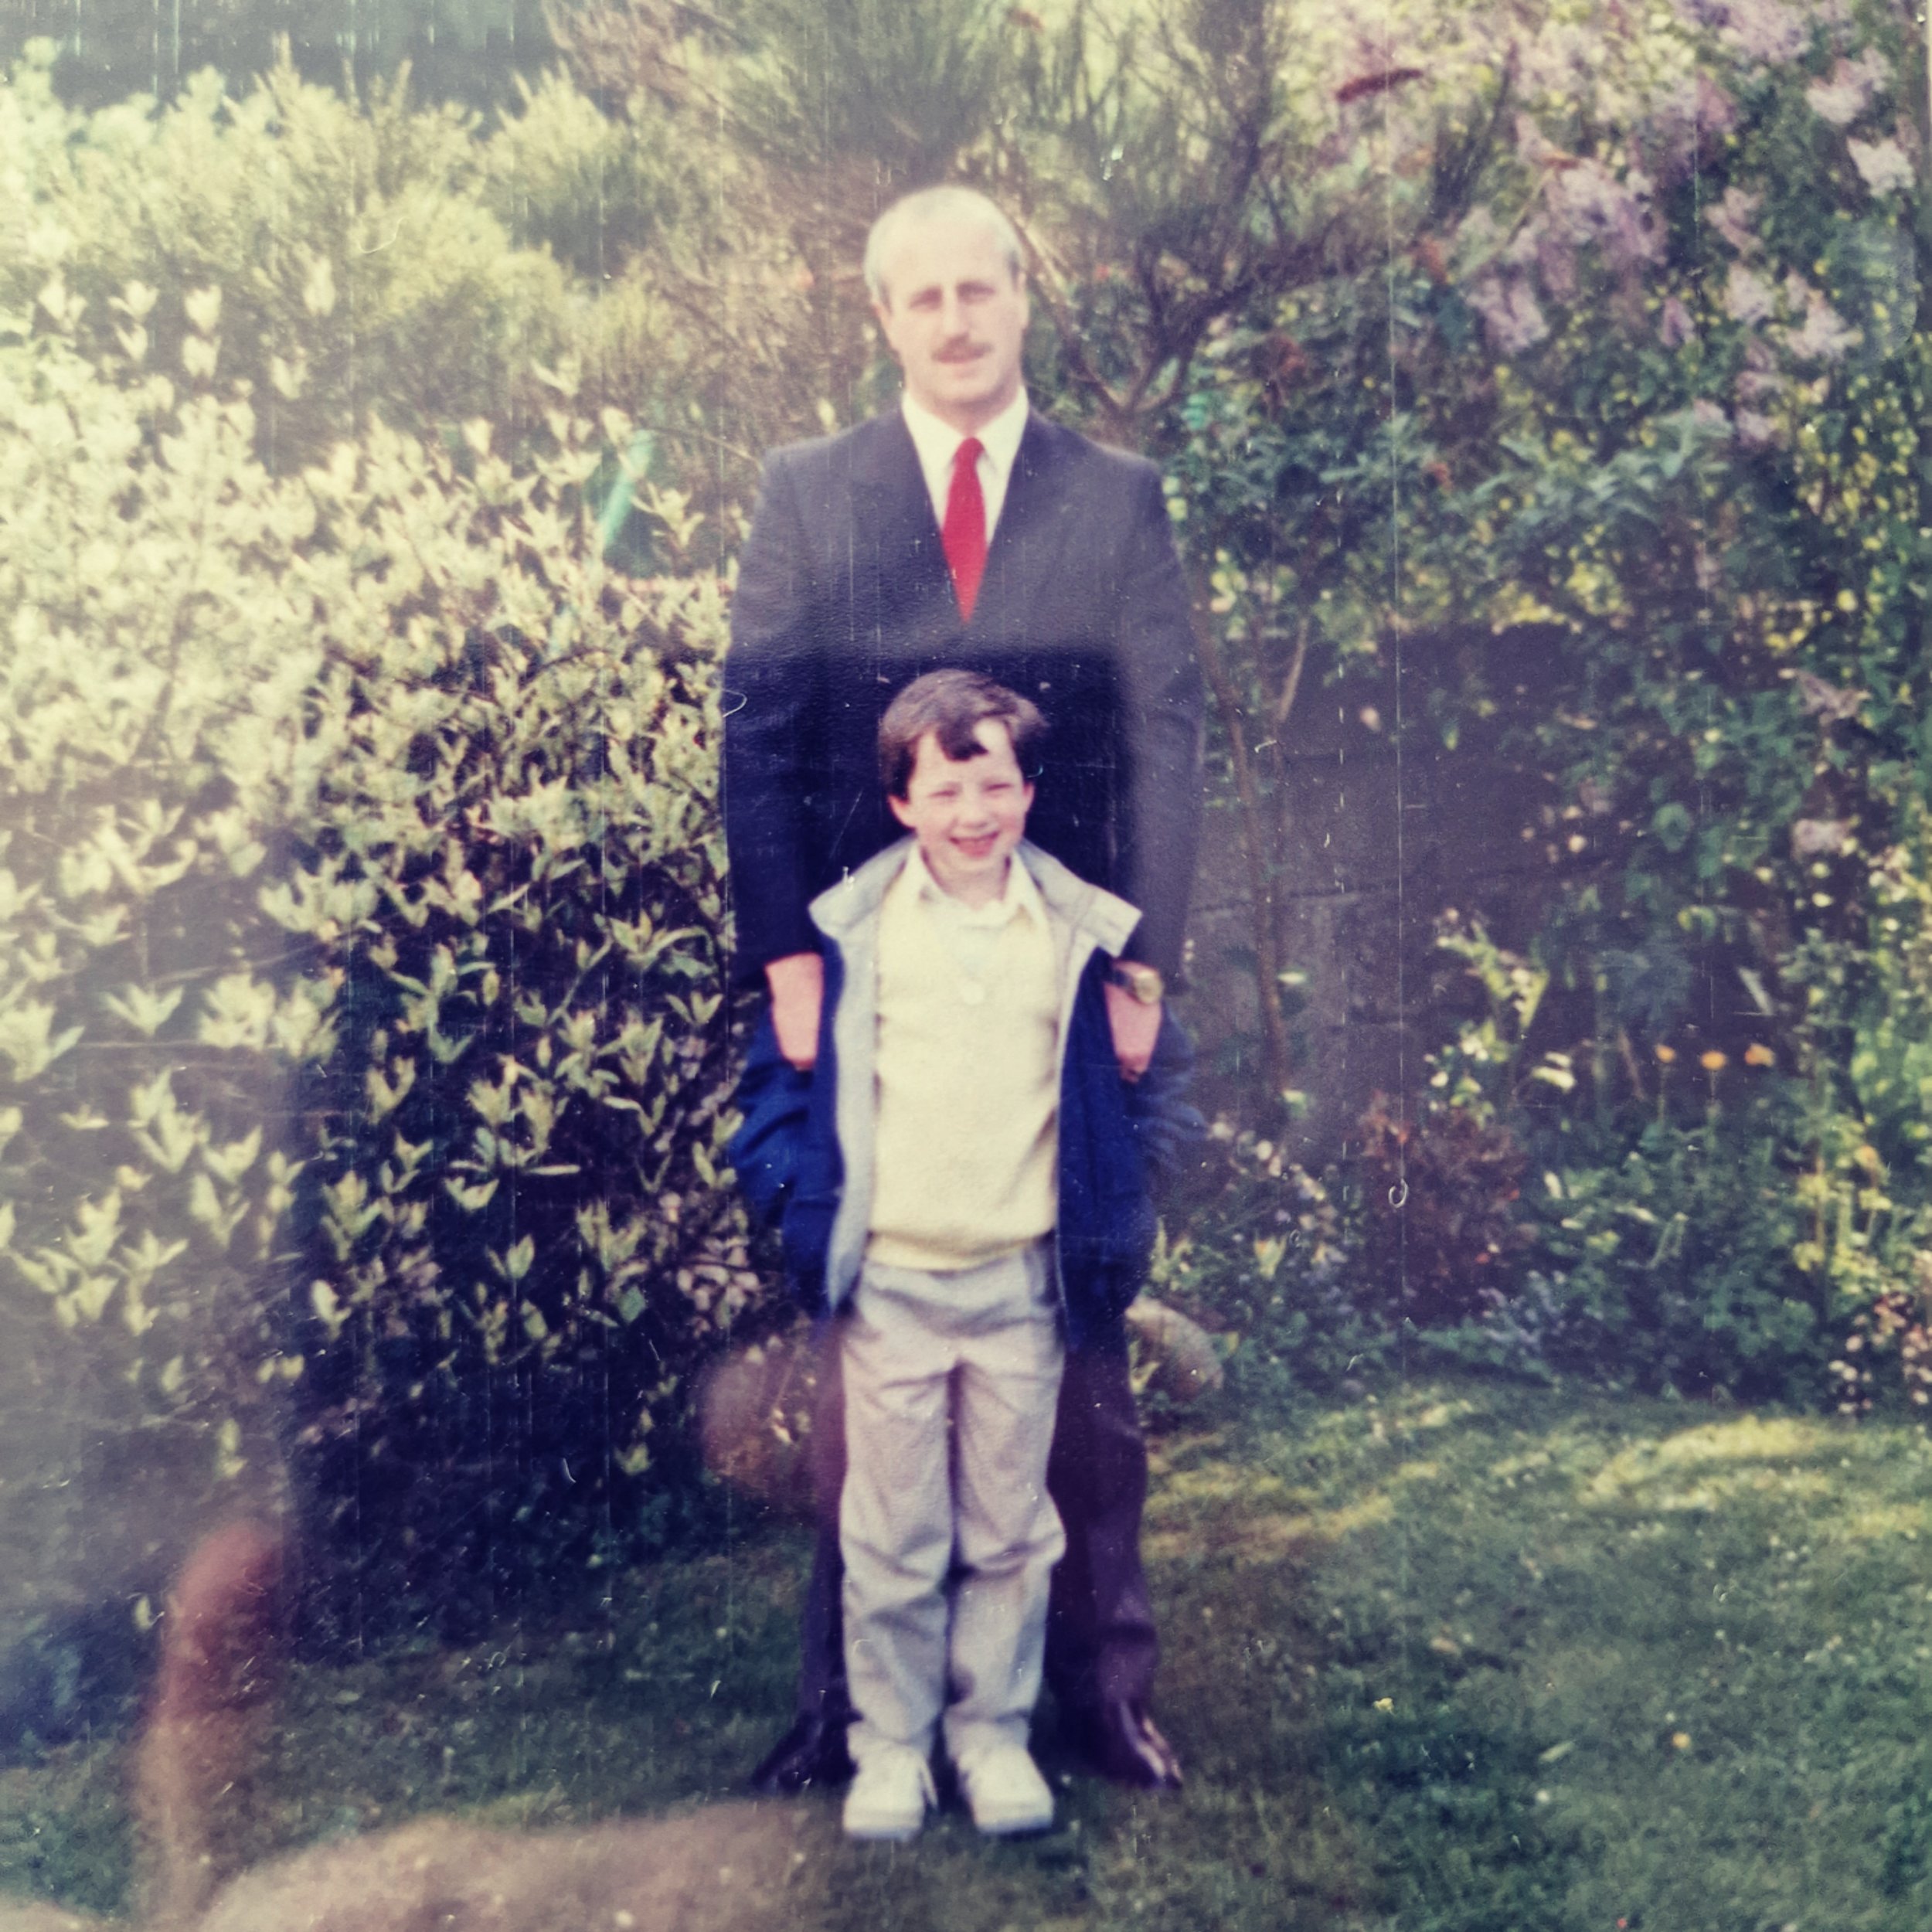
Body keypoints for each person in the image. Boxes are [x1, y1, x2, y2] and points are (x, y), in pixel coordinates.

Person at [722, 182, 1202, 1794]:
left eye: (976, 289)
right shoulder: (812, 491)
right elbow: (762, 735)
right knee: (874, 1339)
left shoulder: (1113, 496)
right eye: (917, 297)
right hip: (868, 987)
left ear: (1020, 296)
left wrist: (1141, 960)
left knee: (1074, 1347)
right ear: (881, 319)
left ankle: (1098, 1692)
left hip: (1067, 978)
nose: (951, 319)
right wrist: (790, 953)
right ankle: (852, 1718)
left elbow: (1164, 734)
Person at [730, 672, 1199, 1840]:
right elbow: (776, 1098)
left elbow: (1153, 1081)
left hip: (1023, 1289)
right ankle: (889, 1749)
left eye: (997, 782)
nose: (975, 809)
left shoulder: (1079, 934)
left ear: (1029, 791)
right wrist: (809, 1222)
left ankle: (990, 1738)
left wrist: (1115, 1208)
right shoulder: (850, 935)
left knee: (1008, 1533)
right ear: (903, 801)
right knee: (889, 1538)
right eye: (948, 787)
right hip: (891, 1287)